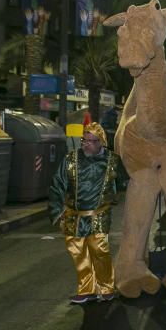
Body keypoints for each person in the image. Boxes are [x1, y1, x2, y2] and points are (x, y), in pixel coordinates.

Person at [48, 122, 120, 304]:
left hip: (99, 215)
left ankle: (106, 288)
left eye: (91, 141)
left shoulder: (113, 161)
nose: (86, 144)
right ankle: (86, 288)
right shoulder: (70, 160)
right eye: (84, 140)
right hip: (74, 216)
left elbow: (131, 177)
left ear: (101, 142)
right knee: (78, 252)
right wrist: (57, 211)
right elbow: (57, 184)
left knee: (100, 250)